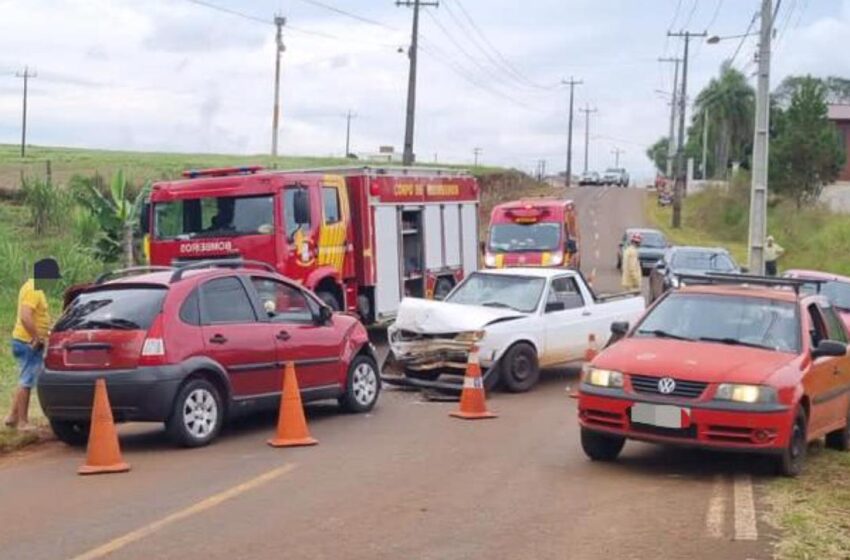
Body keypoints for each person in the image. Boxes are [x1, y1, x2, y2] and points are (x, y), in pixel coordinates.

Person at [5, 258, 60, 430]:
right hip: (27, 342)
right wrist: (36, 337)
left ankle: (12, 417)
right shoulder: (34, 290)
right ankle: (22, 422)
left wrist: (46, 330)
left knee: (24, 377)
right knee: (26, 381)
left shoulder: (32, 287)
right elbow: (25, 315)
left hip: (25, 340)